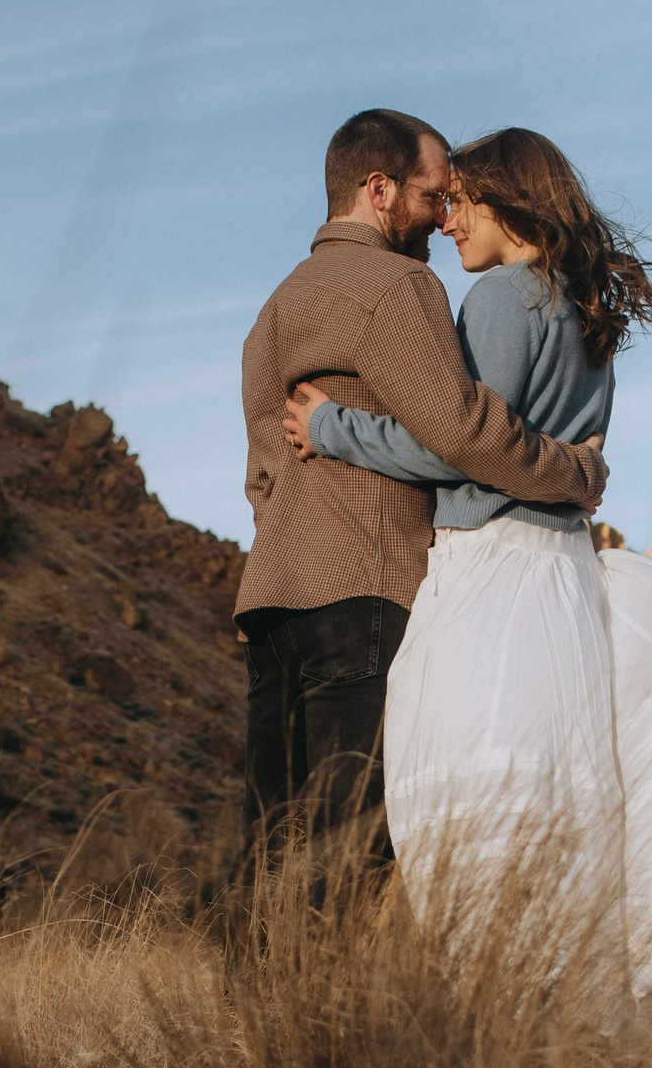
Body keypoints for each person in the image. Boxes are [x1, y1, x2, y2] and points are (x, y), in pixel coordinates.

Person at [284, 127, 652, 991]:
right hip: (564, 561)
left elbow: (459, 444)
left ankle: (514, 993)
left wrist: (332, 427)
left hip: (496, 564)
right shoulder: (582, 307)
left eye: (462, 202)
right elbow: (543, 445)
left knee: (484, 775)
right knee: (571, 772)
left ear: (505, 202)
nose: (448, 222)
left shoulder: (498, 301)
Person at [236, 110, 609, 867]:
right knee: (359, 845)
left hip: (273, 598)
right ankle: (357, 990)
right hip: (367, 592)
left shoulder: (273, 308)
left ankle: (264, 987)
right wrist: (577, 471)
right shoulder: (403, 285)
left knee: (271, 848)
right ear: (379, 189)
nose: (442, 219)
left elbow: (261, 473)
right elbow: (467, 435)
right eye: (433, 196)